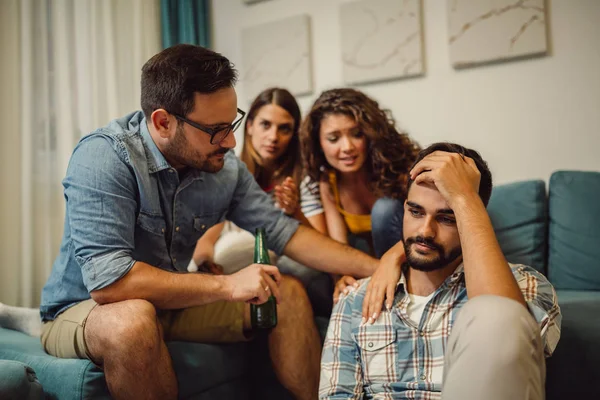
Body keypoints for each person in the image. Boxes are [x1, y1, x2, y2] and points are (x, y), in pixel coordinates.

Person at [39, 44, 380, 400]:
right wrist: (227, 286)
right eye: (216, 130)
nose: (232, 142)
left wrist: (380, 266)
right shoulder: (104, 157)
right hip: (87, 308)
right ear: (163, 122)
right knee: (133, 320)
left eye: (232, 123)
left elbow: (285, 232)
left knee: (287, 292)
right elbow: (109, 284)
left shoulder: (225, 169)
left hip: (168, 305)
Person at [319, 142, 561, 400]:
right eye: (415, 211)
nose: (425, 231)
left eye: (447, 218)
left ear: (472, 217)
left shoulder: (527, 286)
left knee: (500, 315)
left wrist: (465, 197)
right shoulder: (354, 300)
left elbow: (510, 345)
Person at [188, 88, 333, 315]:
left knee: (286, 265)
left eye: (284, 129)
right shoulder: (226, 175)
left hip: (293, 275)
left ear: (294, 134)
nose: (273, 137)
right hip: (235, 281)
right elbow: (205, 241)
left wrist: (295, 212)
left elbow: (322, 252)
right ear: (250, 126)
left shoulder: (304, 179)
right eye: (266, 125)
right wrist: (206, 263)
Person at [301, 88, 420, 262]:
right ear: (318, 143)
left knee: (384, 209)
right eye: (334, 139)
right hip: (372, 264)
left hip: (412, 257)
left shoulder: (401, 169)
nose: (347, 147)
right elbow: (340, 248)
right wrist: (342, 279)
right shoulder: (327, 181)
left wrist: (389, 264)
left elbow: (427, 228)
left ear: (371, 134)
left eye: (357, 134)